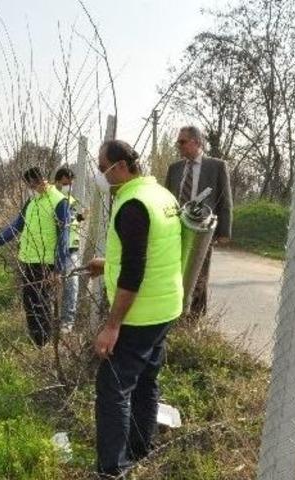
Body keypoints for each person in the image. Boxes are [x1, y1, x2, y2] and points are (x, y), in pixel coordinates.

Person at [86, 140, 183, 477]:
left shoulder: (133, 204)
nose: (101, 174)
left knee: (113, 387)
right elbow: (149, 251)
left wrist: (113, 325)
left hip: (139, 315)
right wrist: (105, 263)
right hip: (166, 307)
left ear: (120, 166)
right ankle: (141, 447)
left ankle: (113, 469)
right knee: (145, 380)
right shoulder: (161, 196)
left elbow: (134, 270)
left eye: (102, 167)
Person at [0, 167, 70, 345]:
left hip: (46, 264)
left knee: (42, 303)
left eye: (36, 183)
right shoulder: (31, 202)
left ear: (42, 180)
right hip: (28, 262)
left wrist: (59, 268)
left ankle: (44, 343)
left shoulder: (59, 201)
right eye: (32, 185)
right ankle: (35, 339)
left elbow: (64, 236)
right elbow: (17, 226)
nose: (35, 187)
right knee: (29, 302)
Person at [164, 126, 232, 319]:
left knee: (199, 275)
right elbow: (167, 198)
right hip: (175, 229)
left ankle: (194, 319)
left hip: (202, 231)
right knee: (175, 271)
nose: (179, 145)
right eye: (178, 141)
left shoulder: (216, 166)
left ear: (197, 142)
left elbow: (225, 200)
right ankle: (174, 314)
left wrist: (224, 232)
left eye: (182, 141)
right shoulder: (175, 168)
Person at [54, 166, 85, 332]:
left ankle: (67, 323)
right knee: (54, 286)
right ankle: (53, 319)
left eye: (71, 183)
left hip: (72, 248)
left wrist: (81, 217)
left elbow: (71, 222)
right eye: (65, 183)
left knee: (71, 285)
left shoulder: (71, 201)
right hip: (56, 249)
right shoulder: (55, 200)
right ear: (57, 182)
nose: (68, 186)